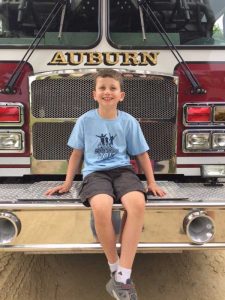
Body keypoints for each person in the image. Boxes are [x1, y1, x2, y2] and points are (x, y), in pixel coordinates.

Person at [45, 69, 166, 300]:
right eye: (102, 88)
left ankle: (123, 276)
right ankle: (114, 267)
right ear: (94, 94)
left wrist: (151, 182)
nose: (107, 92)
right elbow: (76, 154)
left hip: (123, 172)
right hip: (95, 173)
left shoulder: (128, 122)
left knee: (137, 204)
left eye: (112, 88)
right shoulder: (85, 121)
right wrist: (67, 183)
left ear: (121, 95)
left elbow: (142, 154)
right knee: (101, 206)